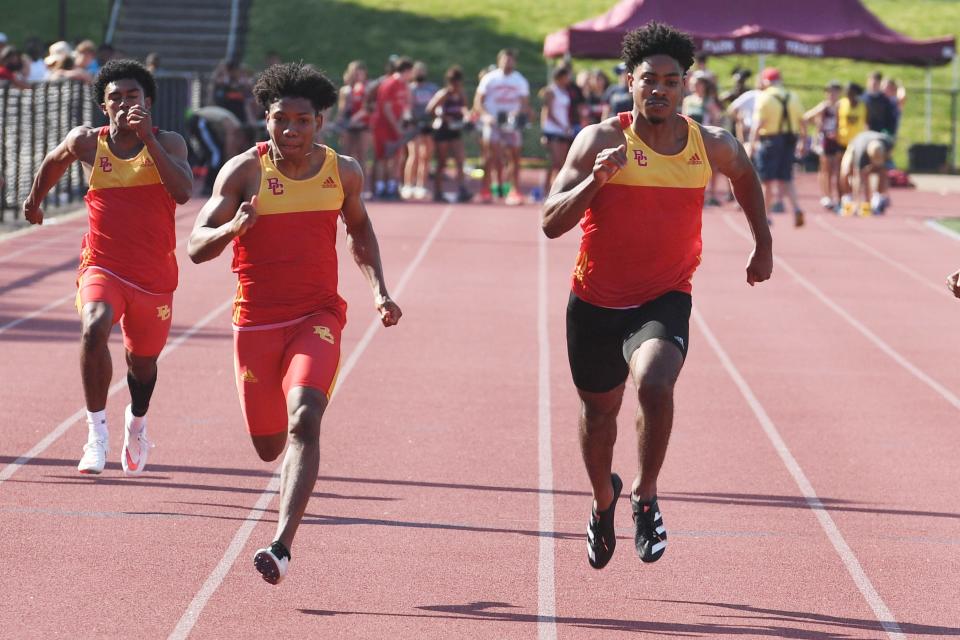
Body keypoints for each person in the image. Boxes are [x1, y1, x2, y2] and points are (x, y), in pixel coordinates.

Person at [541, 22, 772, 570]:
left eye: (672, 80)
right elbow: (551, 223)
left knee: (654, 381)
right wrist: (596, 181)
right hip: (595, 301)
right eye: (650, 80)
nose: (660, 89)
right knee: (599, 417)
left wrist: (763, 242)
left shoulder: (709, 143)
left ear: (687, 86)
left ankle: (646, 496)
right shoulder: (599, 140)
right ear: (630, 82)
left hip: (664, 296)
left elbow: (745, 177)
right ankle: (603, 501)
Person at [187, 62, 401, 585]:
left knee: (305, 415)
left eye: (302, 121)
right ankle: (281, 466)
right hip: (256, 322)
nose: (291, 131)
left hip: (317, 316)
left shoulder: (343, 171)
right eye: (281, 120)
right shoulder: (244, 172)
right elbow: (195, 246)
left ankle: (281, 545)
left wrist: (378, 290)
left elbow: (360, 230)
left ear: (320, 121)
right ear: (266, 120)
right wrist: (233, 227)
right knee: (268, 445)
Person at [21, 59, 192, 475]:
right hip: (103, 265)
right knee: (94, 326)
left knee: (142, 363)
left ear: (147, 102)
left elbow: (184, 192)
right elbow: (55, 159)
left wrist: (147, 139)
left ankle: (137, 419)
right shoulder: (88, 143)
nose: (123, 103)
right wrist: (34, 200)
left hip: (153, 277)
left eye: (132, 96)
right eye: (114, 98)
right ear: (103, 106)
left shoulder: (168, 143)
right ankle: (96, 432)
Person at [747, 67, 805, 227]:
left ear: (766, 81)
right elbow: (803, 121)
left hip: (771, 140)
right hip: (789, 139)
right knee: (786, 178)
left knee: (767, 180)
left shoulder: (765, 98)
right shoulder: (793, 96)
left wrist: (752, 144)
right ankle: (797, 209)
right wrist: (802, 141)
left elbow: (758, 124)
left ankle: (766, 215)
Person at [473, 48, 531, 205]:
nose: (508, 62)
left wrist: (517, 114)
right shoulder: (489, 78)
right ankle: (485, 190)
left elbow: (525, 104)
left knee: (514, 157)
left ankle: (515, 190)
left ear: (515, 62)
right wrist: (486, 116)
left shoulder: (519, 80)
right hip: (492, 122)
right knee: (489, 156)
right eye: (505, 59)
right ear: (499, 60)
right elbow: (478, 101)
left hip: (511, 124)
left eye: (511, 60)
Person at [427, 65, 472, 203]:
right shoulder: (444, 94)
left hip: (455, 130)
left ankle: (462, 189)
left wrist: (466, 116)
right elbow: (430, 109)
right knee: (442, 162)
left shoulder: (461, 94)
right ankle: (438, 191)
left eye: (458, 83)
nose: (455, 85)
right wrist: (443, 117)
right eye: (453, 82)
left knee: (460, 160)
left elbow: (464, 108)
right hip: (443, 130)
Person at [371, 56, 413, 200]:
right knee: (383, 157)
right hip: (383, 126)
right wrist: (396, 126)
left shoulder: (404, 85)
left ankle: (392, 186)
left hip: (396, 127)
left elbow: (405, 106)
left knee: (397, 157)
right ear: (407, 71)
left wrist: (402, 123)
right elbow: (386, 107)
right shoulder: (389, 84)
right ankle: (380, 188)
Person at [803, 80, 843, 211]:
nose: (832, 95)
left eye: (835, 92)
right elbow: (806, 117)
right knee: (826, 170)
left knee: (838, 170)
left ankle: (840, 197)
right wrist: (817, 123)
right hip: (826, 141)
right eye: (830, 92)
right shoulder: (823, 107)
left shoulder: (841, 106)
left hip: (839, 141)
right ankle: (827, 196)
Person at [838, 130, 894, 216]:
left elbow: (886, 169)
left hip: (876, 147)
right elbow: (857, 178)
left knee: (883, 171)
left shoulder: (887, 143)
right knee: (846, 172)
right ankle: (849, 198)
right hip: (854, 146)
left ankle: (877, 198)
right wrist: (857, 201)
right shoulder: (861, 153)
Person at [403, 61, 438, 200]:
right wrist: (410, 119)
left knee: (426, 156)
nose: (420, 73)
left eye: (422, 71)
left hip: (428, 125)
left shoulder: (432, 88)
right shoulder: (409, 88)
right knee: (414, 154)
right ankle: (408, 185)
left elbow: (437, 105)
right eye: (417, 71)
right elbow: (406, 106)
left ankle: (421, 185)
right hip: (414, 125)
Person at [540, 65, 575, 202]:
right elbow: (548, 113)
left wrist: (567, 125)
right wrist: (547, 131)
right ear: (560, 77)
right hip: (553, 130)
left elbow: (564, 112)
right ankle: (547, 190)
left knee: (561, 163)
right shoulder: (550, 91)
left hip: (564, 129)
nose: (568, 79)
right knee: (555, 161)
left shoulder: (565, 91)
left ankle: (557, 190)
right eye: (566, 76)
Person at [336, 60, 372, 183]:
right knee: (346, 155)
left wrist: (356, 118)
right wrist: (340, 124)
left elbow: (368, 108)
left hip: (363, 125)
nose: (358, 76)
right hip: (348, 125)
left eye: (361, 74)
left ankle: (362, 184)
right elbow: (341, 110)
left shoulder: (367, 89)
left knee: (362, 155)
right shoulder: (346, 90)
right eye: (356, 74)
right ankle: (345, 183)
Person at [863, 71, 898, 136]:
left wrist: (887, 133)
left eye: (875, 83)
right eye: (871, 82)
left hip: (879, 134)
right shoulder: (861, 99)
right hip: (862, 133)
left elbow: (891, 120)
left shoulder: (886, 101)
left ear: (879, 84)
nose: (873, 85)